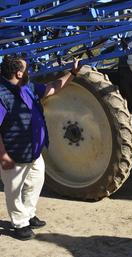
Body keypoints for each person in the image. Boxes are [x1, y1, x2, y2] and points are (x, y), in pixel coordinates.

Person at [0, 55, 81, 240]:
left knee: (36, 181)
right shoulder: (1, 95)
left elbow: (52, 88)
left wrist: (73, 73)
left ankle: (28, 214)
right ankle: (19, 224)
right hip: (14, 153)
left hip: (34, 152)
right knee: (14, 190)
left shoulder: (27, 87)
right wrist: (3, 155)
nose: (30, 72)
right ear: (19, 73)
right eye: (27, 69)